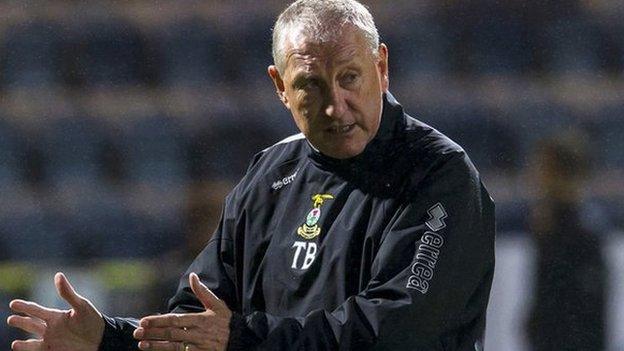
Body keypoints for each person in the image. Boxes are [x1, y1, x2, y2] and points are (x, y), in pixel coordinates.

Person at [7, 0, 495, 350]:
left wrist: (243, 338)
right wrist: (107, 339)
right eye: (310, 85)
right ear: (280, 87)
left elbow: (396, 334)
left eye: (350, 77)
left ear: (382, 67)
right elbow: (197, 323)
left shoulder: (440, 177)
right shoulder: (270, 174)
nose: (334, 105)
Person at [526, 132, 606, 351]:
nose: (535, 174)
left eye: (543, 167)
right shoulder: (547, 221)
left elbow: (588, 309)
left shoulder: (582, 230)